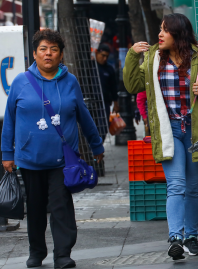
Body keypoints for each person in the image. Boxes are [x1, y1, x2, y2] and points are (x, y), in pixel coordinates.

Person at [1, 29, 104, 268]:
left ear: (61, 55)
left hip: (62, 160)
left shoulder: (70, 82)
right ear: (34, 54)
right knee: (35, 209)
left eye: (54, 49)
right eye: (43, 49)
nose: (48, 54)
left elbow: (83, 115)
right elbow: (10, 120)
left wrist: (96, 143)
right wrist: (7, 154)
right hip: (29, 158)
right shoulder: (20, 82)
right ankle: (36, 252)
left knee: (61, 207)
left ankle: (62, 254)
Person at [123, 13, 198, 260]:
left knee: (194, 187)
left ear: (178, 33)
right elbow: (132, 85)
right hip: (170, 130)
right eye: (160, 29)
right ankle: (175, 238)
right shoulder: (153, 58)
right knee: (176, 185)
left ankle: (191, 236)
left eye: (165, 30)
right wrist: (132, 56)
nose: (159, 34)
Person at [95, 44, 119, 136]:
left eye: (107, 56)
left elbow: (113, 87)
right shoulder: (91, 67)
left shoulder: (109, 69)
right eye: (103, 55)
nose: (104, 58)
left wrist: (116, 104)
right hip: (91, 101)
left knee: (103, 127)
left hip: (105, 102)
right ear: (97, 53)